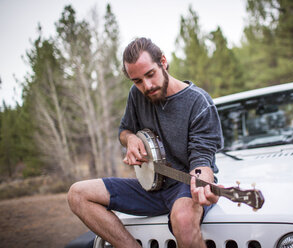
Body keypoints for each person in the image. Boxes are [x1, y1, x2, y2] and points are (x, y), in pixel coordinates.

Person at [67, 37, 223, 248]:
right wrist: (130, 139)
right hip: (150, 187)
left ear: (163, 61)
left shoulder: (199, 102)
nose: (146, 86)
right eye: (137, 81)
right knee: (77, 194)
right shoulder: (137, 95)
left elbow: (202, 161)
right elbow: (124, 130)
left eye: (150, 74)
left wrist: (203, 185)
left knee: (184, 221)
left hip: (185, 187)